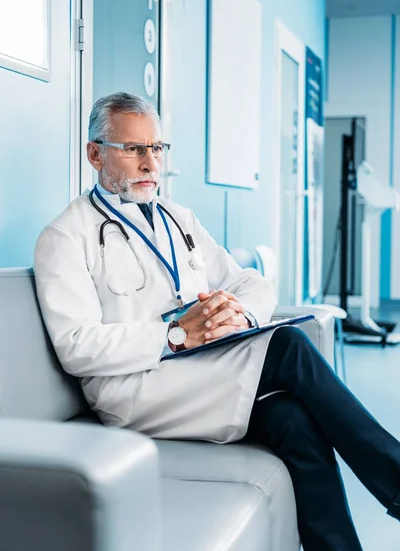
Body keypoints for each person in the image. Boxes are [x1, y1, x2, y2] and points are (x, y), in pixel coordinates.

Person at [34, 92, 400, 551]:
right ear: (94, 153)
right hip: (132, 390)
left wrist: (239, 313)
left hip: (197, 371)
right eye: (133, 149)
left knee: (293, 420)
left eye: (157, 148)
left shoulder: (177, 218)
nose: (150, 162)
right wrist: (175, 334)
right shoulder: (65, 236)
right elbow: (76, 346)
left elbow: (250, 281)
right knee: (288, 346)